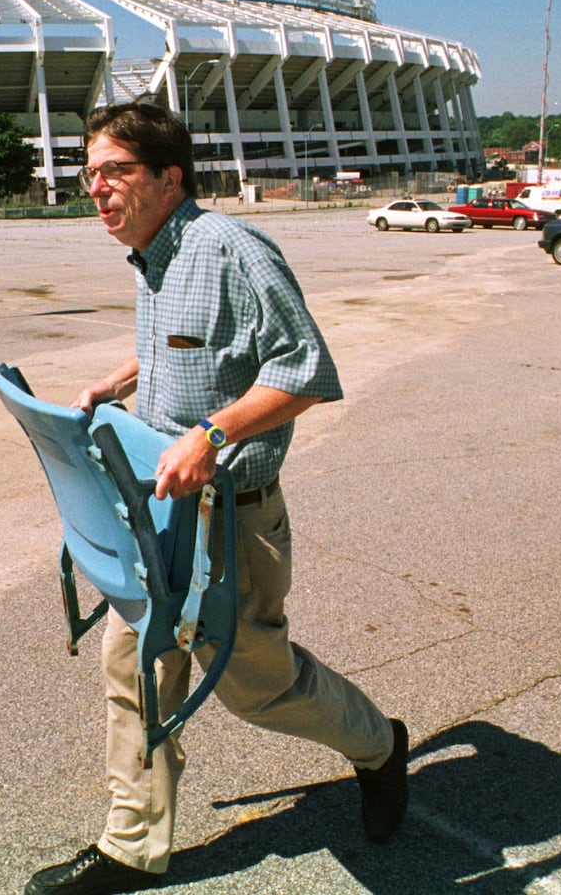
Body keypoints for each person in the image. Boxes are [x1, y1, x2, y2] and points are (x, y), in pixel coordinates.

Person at [25, 103, 408, 895]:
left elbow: (305, 372)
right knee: (132, 669)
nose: (95, 189)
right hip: (157, 515)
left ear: (170, 178)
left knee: (258, 688)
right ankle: (133, 847)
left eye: (114, 172)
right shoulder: (150, 256)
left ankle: (378, 745)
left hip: (231, 520)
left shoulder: (230, 250)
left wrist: (209, 433)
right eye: (88, 174)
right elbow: (192, 342)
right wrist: (120, 379)